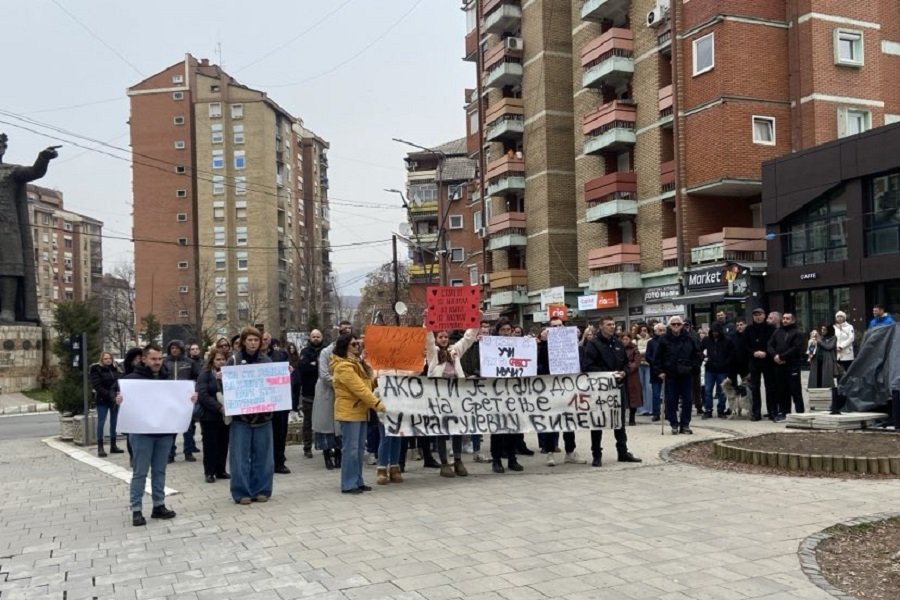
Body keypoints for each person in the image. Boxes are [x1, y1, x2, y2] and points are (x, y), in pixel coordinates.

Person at [117, 344, 197, 526]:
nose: (157, 362)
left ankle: (158, 505)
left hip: (164, 432)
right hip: (141, 433)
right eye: (153, 359)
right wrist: (119, 399)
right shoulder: (131, 380)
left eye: (160, 359)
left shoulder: (168, 379)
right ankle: (136, 509)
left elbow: (176, 402)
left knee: (160, 471)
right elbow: (119, 399)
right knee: (140, 473)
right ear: (144, 359)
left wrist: (189, 399)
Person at [0, 133, 57, 323]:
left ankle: (7, 309)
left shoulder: (11, 171)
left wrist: (43, 158)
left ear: (3, 149)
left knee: (9, 266)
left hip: (7, 227)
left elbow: (34, 172)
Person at [581, 316, 642, 465]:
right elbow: (588, 366)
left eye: (613, 324)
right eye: (609, 324)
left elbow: (626, 365)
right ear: (601, 326)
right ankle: (597, 455)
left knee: (619, 422)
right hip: (600, 390)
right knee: (598, 423)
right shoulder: (593, 344)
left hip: (617, 388)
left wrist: (624, 372)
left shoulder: (618, 343)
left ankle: (623, 452)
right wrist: (608, 374)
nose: (612, 327)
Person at [331, 332, 386, 494]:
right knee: (351, 449)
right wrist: (377, 404)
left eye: (358, 344)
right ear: (345, 346)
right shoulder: (343, 367)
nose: (357, 346)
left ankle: (358, 480)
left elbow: (368, 383)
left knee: (360, 448)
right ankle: (348, 483)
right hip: (349, 412)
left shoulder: (357, 363)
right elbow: (359, 389)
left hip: (360, 411)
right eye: (354, 344)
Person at [227, 327, 274, 505]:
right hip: (241, 418)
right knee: (240, 457)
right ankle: (241, 491)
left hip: (263, 417)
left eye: (256, 340)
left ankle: (262, 489)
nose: (253, 343)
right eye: (250, 340)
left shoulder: (267, 361)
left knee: (263, 456)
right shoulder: (234, 361)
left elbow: (274, 385)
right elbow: (225, 385)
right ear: (244, 342)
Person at [425, 325, 479, 478]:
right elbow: (427, 339)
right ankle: (444, 463)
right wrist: (426, 323)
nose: (444, 339)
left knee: (457, 430)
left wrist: (476, 321)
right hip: (439, 398)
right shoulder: (433, 354)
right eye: (440, 337)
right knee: (442, 431)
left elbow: (467, 339)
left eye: (446, 337)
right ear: (436, 339)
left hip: (456, 397)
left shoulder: (454, 351)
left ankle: (457, 460)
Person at [652, 316, 703, 435]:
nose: (676, 326)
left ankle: (685, 424)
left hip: (686, 373)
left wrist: (694, 368)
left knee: (688, 400)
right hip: (670, 374)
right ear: (669, 326)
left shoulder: (690, 338)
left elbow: (697, 354)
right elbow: (657, 357)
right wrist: (659, 371)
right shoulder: (663, 339)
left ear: (682, 325)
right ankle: (674, 424)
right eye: (673, 324)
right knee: (670, 401)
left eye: (678, 324)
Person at [313, 321, 353, 470]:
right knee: (326, 425)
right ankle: (326, 454)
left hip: (344, 393)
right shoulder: (325, 352)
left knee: (340, 425)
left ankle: (339, 454)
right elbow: (324, 374)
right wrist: (341, 382)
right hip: (327, 392)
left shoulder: (349, 353)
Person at [489, 318, 524, 474]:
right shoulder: (489, 347)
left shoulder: (520, 346)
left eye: (508, 330)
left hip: (513, 392)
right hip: (496, 393)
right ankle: (496, 460)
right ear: (497, 332)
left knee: (512, 428)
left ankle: (512, 459)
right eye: (502, 330)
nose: (505, 333)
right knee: (497, 429)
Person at [195, 347, 230, 483]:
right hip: (210, 416)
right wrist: (218, 407)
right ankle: (209, 472)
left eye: (223, 359)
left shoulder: (228, 374)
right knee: (210, 445)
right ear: (212, 360)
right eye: (218, 359)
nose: (221, 362)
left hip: (225, 416)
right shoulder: (205, 374)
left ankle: (221, 470)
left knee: (223, 443)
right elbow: (202, 395)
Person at [164, 339, 200, 463]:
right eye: (172, 348)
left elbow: (197, 377)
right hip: (170, 399)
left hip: (186, 400)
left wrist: (193, 389)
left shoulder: (189, 362)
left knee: (187, 427)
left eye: (177, 348)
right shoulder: (165, 362)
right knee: (171, 428)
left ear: (181, 349)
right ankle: (170, 453)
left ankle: (188, 452)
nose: (174, 350)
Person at [263, 332, 292, 475]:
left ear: (270, 341)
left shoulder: (280, 355)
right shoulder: (250, 359)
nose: (262, 342)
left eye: (264, 339)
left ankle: (279, 462)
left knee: (280, 433)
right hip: (260, 404)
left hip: (279, 402)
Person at [768, 313, 806, 420]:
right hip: (779, 366)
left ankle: (800, 413)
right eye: (784, 318)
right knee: (782, 390)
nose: (785, 320)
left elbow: (795, 348)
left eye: (787, 319)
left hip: (792, 365)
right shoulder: (777, 331)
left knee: (795, 390)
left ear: (793, 320)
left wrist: (781, 357)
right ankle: (784, 412)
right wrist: (774, 355)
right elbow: (770, 344)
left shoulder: (797, 333)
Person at [296, 329, 324, 459]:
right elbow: (303, 367)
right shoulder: (305, 352)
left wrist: (315, 364)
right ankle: (307, 448)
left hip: (324, 393)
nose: (316, 338)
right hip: (309, 393)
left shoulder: (326, 351)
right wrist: (316, 365)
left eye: (318, 336)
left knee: (325, 420)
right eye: (314, 336)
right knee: (307, 422)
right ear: (310, 338)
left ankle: (326, 446)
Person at [89, 352, 124, 457]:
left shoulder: (115, 369)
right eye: (105, 359)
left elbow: (119, 382)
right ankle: (100, 447)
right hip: (102, 399)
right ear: (101, 360)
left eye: (109, 358)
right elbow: (97, 386)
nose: (108, 360)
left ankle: (113, 445)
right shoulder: (96, 370)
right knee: (101, 422)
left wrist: (117, 393)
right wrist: (109, 395)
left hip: (114, 400)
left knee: (114, 422)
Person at [745, 308, 776, 421]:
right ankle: (756, 412)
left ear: (764, 316)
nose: (758, 317)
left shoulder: (770, 329)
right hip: (754, 361)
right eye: (755, 315)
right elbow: (745, 345)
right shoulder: (748, 329)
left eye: (760, 314)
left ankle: (772, 411)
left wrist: (766, 353)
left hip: (767, 361)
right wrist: (753, 353)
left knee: (770, 387)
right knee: (755, 388)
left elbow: (773, 343)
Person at [701, 321, 735, 419]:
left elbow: (731, 354)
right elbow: (699, 350)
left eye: (717, 331)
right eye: (713, 331)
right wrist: (704, 358)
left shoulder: (727, 341)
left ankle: (721, 410)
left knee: (721, 391)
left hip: (722, 369)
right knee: (708, 390)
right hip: (710, 369)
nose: (715, 333)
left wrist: (726, 363)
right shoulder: (706, 340)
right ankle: (708, 410)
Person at [644, 322, 666, 421]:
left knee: (668, 393)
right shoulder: (651, 342)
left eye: (663, 330)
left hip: (667, 370)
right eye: (660, 330)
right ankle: (656, 413)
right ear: (655, 331)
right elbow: (648, 356)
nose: (662, 332)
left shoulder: (667, 341)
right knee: (656, 394)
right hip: (655, 371)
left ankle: (668, 412)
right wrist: (655, 362)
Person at [621, 333, 643, 427]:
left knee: (633, 397)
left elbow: (636, 362)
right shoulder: (618, 348)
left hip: (632, 376)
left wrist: (627, 368)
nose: (625, 341)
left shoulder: (634, 348)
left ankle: (632, 418)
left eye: (627, 339)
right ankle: (621, 418)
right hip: (621, 375)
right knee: (622, 396)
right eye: (623, 339)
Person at [808, 324, 837, 389]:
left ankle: (827, 393)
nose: (822, 331)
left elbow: (829, 347)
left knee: (826, 378)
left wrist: (819, 341)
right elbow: (812, 348)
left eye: (824, 329)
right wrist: (810, 353)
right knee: (816, 378)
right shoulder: (819, 337)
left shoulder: (833, 338)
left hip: (827, 361)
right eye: (822, 329)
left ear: (829, 330)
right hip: (816, 360)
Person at [636, 325, 653, 416]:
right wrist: (643, 352)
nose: (644, 332)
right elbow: (637, 352)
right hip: (639, 366)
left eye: (645, 330)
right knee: (640, 387)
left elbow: (647, 352)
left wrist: (641, 352)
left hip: (648, 365)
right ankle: (641, 409)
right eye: (642, 330)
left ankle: (650, 408)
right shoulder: (635, 341)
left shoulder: (650, 341)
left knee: (649, 387)